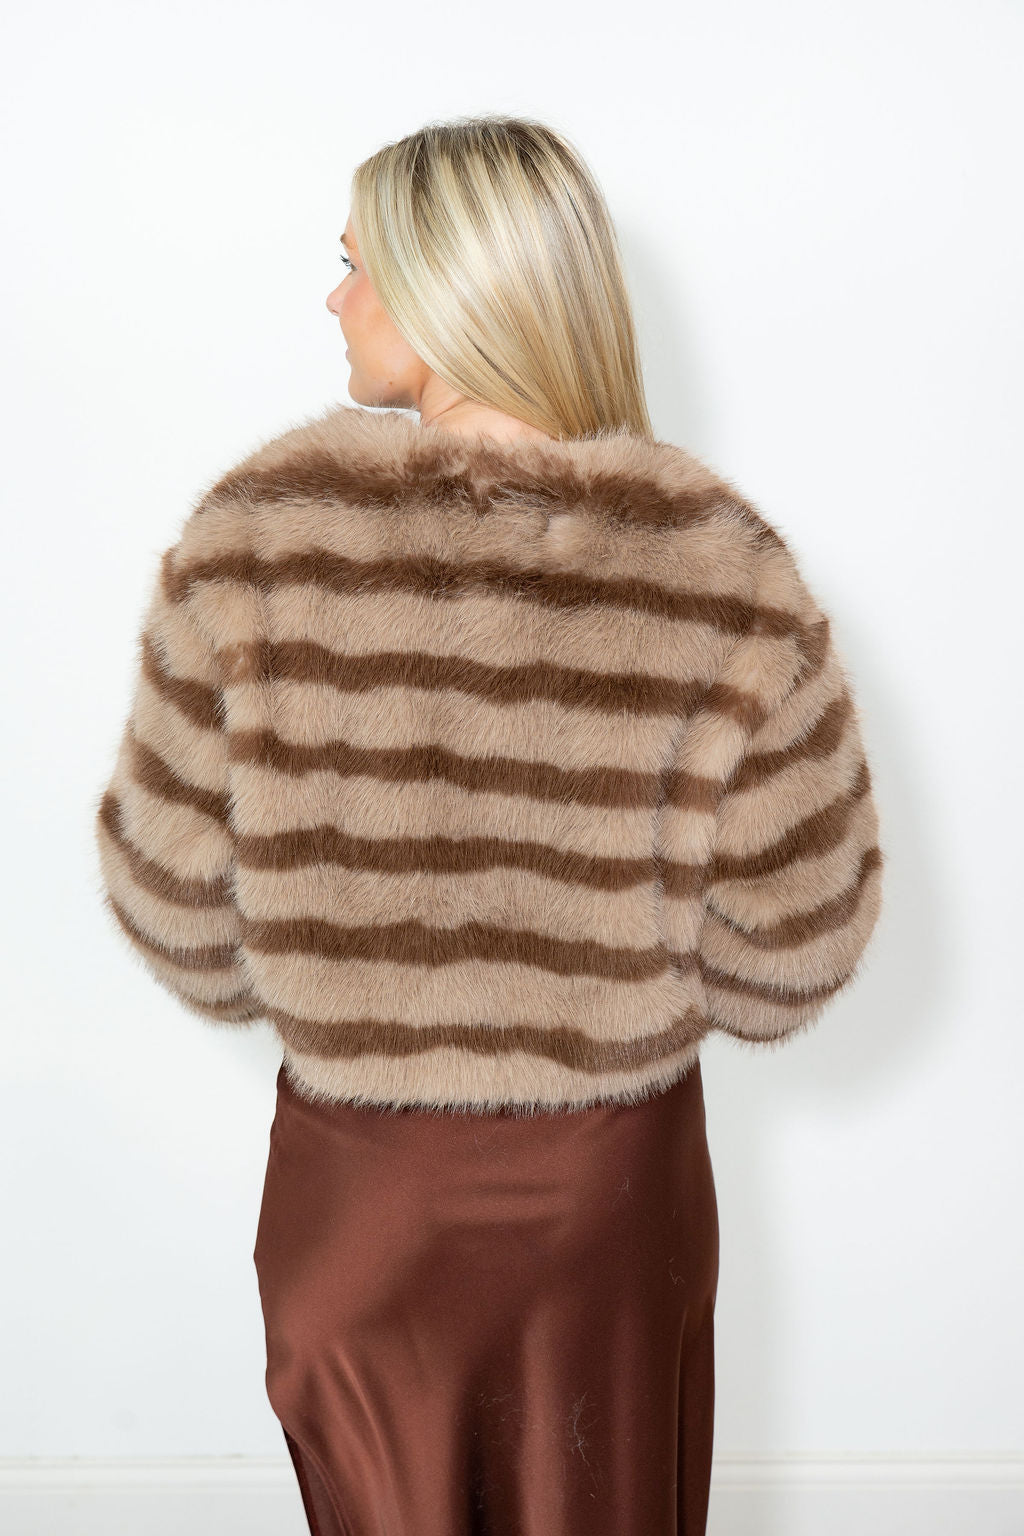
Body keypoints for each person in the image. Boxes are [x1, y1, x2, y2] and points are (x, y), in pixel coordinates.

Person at [93, 114, 884, 1535]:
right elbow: (793, 955)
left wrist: (340, 963)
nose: (333, 297)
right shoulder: (722, 570)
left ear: (445, 287)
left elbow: (177, 914)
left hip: (363, 1202)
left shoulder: (256, 544)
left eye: (357, 264)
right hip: (609, 1203)